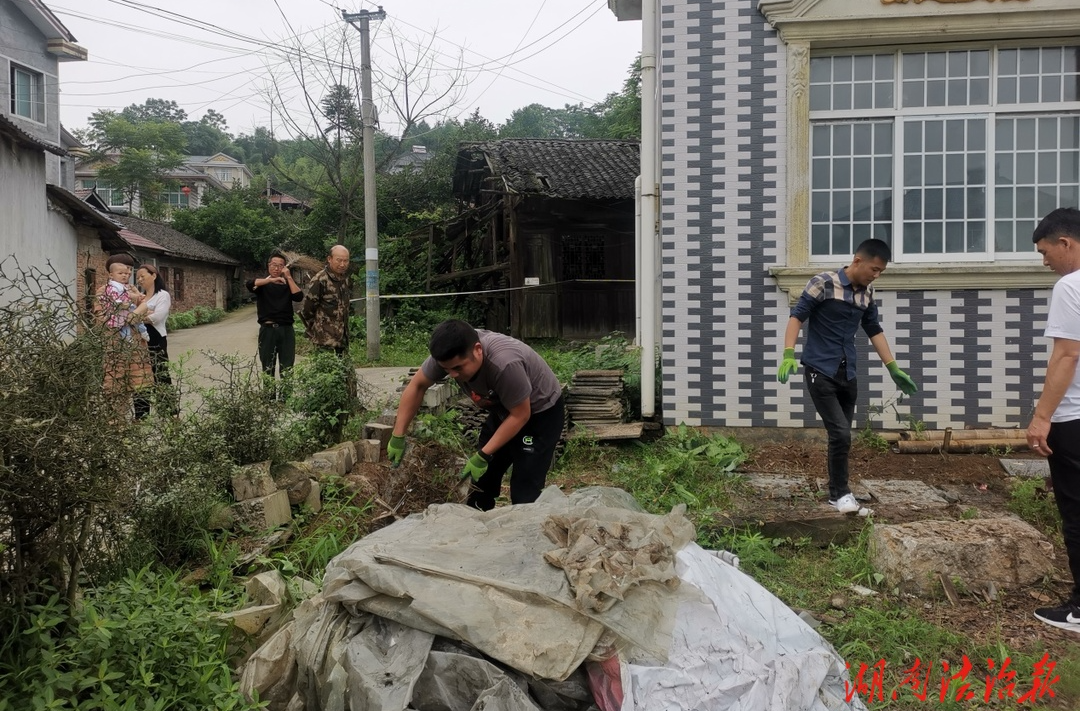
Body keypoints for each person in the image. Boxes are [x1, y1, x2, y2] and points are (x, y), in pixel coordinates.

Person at [777, 238, 918, 514]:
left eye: (880, 272)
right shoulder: (823, 283)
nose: (876, 275)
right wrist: (788, 353)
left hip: (847, 373)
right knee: (840, 434)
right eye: (874, 269)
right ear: (857, 261)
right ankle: (842, 494)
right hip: (820, 370)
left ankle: (837, 495)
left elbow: (873, 329)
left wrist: (892, 367)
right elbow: (797, 316)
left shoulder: (867, 293)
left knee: (841, 437)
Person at [387, 319, 566, 511]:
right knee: (480, 482)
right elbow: (417, 385)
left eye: (458, 368)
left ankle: (525, 534)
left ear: (478, 350)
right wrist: (398, 435)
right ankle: (479, 529)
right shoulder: (449, 355)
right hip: (504, 410)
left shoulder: (505, 364)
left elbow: (521, 415)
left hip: (540, 413)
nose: (452, 375)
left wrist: (483, 455)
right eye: (447, 369)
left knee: (525, 488)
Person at [1026, 206, 1080, 634]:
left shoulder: (1071, 285)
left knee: (1076, 511)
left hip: (1074, 418)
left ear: (1067, 243)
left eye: (1046, 251)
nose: (1045, 261)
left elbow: (1066, 353)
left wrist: (1042, 417)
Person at [94, 253, 153, 417]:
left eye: (129, 270)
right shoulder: (104, 291)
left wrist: (139, 311)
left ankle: (141, 419)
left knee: (140, 382)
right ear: (111, 273)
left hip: (137, 344)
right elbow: (100, 317)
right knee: (116, 382)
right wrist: (128, 317)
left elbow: (147, 312)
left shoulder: (132, 290)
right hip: (116, 344)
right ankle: (116, 421)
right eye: (123, 270)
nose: (126, 274)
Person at [247, 250, 303, 379]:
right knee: (267, 367)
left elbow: (298, 297)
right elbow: (250, 284)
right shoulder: (262, 285)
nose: (276, 268)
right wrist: (272, 280)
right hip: (268, 331)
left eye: (280, 266)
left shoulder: (287, 284)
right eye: (274, 265)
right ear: (268, 266)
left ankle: (286, 398)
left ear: (284, 268)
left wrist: (288, 277)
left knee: (287, 367)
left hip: (286, 330)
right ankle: (269, 398)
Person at [133, 263, 178, 417]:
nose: (139, 280)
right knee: (140, 375)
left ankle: (169, 412)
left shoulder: (162, 295)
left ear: (154, 276)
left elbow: (157, 317)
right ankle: (141, 414)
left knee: (160, 374)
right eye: (137, 277)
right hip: (139, 339)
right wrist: (144, 315)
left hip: (156, 338)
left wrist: (138, 317)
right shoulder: (140, 297)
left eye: (142, 276)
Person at [300, 245, 351, 355]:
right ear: (329, 259)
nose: (342, 264)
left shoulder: (343, 279)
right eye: (339, 260)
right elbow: (308, 309)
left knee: (344, 371)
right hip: (325, 340)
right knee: (326, 371)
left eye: (346, 261)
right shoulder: (321, 279)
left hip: (342, 339)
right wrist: (317, 326)